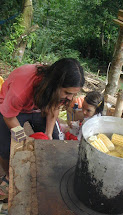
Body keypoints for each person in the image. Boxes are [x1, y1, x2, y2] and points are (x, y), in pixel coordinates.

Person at [0, 58, 85, 199]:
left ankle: (46, 170)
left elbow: (54, 107)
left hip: (38, 105)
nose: (70, 98)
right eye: (67, 93)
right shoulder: (20, 91)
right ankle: (9, 176)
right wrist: (23, 139)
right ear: (55, 84)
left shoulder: (55, 89)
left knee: (56, 140)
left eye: (73, 94)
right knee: (6, 147)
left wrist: (49, 134)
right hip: (11, 110)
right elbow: (9, 117)